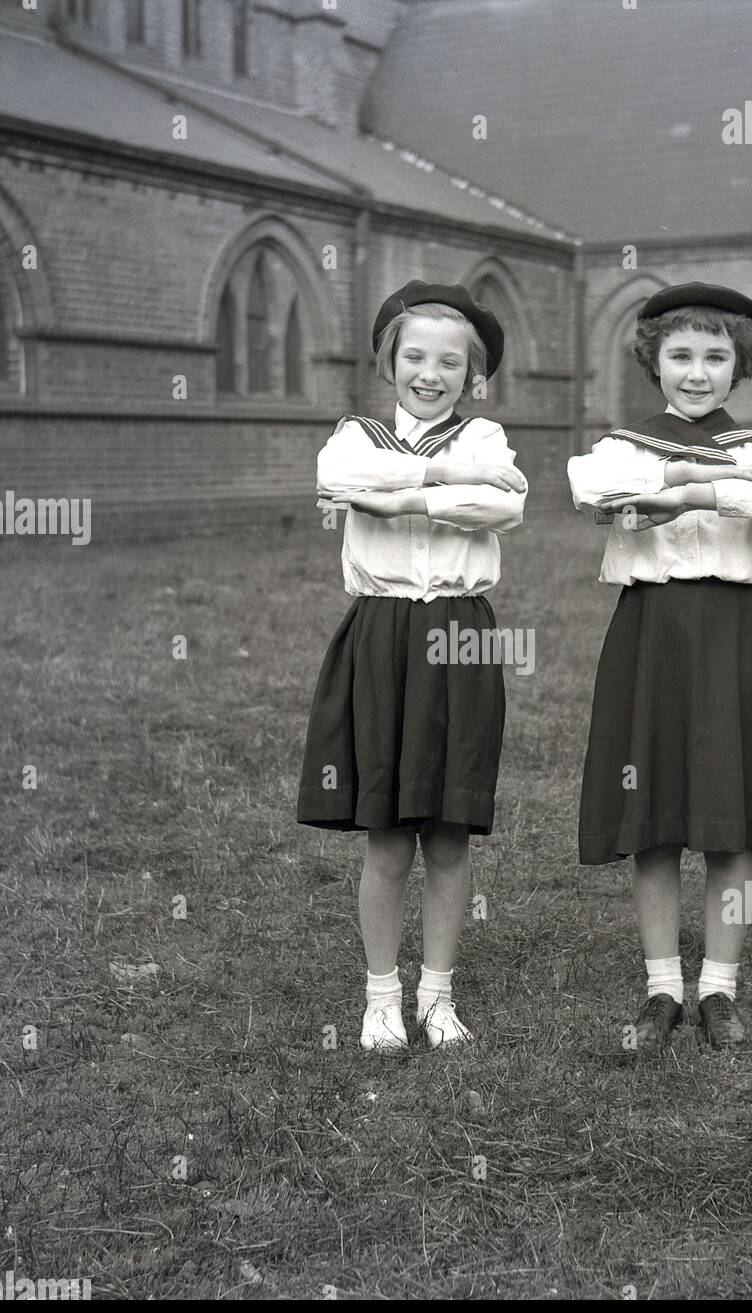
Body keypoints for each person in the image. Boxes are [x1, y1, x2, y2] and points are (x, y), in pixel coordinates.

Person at [567, 282, 752, 1050]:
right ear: (655, 362)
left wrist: (696, 488)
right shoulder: (625, 445)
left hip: (734, 634)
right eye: (681, 356)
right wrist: (679, 484)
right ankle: (663, 984)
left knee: (730, 817)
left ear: (740, 366)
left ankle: (720, 989)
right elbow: (596, 487)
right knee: (655, 816)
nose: (697, 372)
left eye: (716, 356)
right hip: (652, 633)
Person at [297, 281, 526, 1052]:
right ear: (388, 364)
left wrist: (394, 500)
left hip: (462, 633)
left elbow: (507, 506)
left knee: (451, 831)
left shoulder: (485, 438)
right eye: (416, 356)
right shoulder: (356, 434)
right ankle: (380, 997)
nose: (432, 373)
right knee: (389, 833)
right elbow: (338, 482)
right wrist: (434, 483)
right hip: (382, 633)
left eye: (451, 362)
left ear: (472, 375)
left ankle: (437, 994)